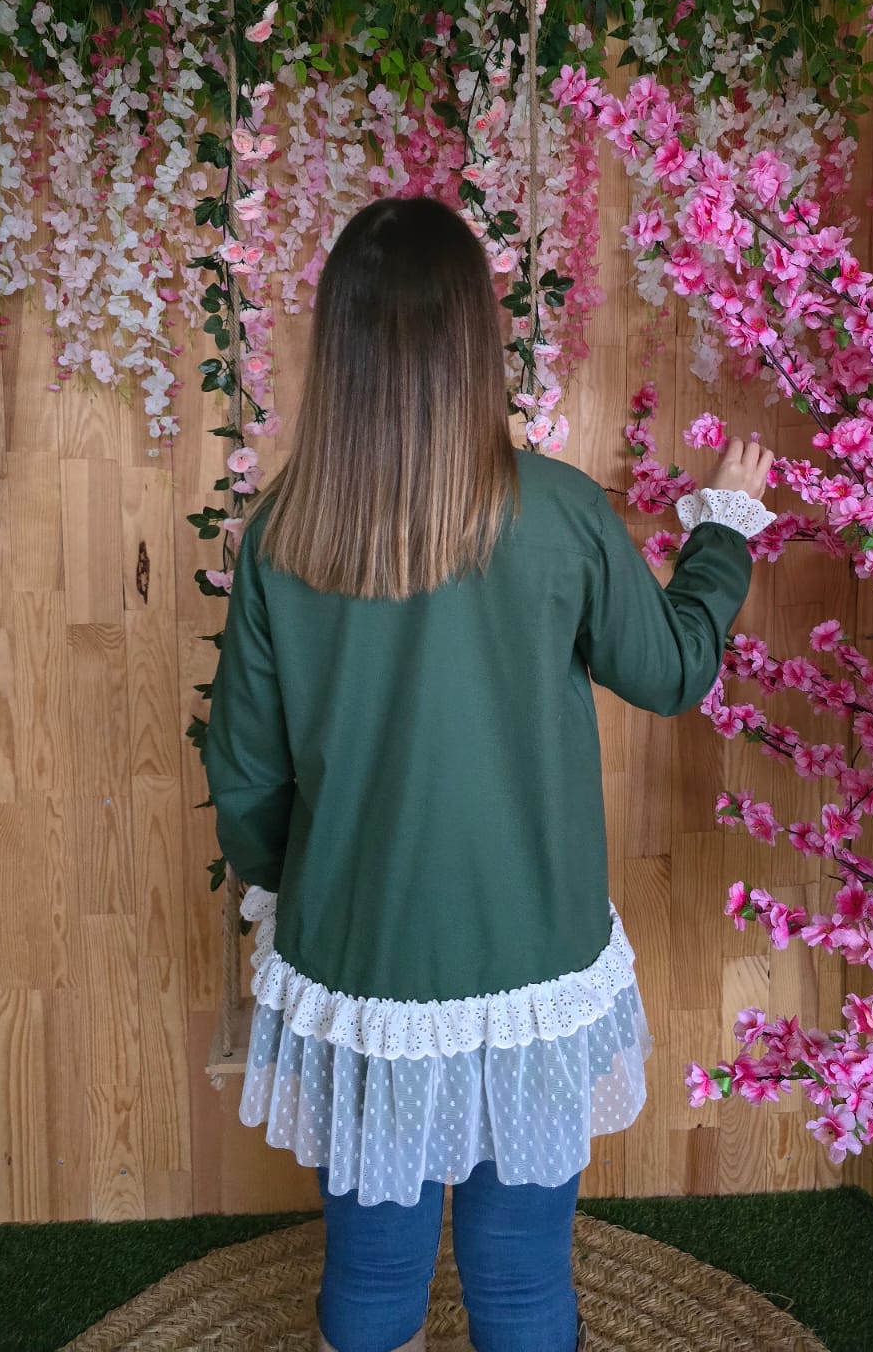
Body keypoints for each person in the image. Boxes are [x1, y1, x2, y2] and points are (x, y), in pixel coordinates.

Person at [203, 196, 775, 1352]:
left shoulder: (279, 532)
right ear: (478, 337)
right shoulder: (558, 511)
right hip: (533, 957)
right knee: (518, 1277)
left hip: (357, 955)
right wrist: (724, 531)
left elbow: (248, 769)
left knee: (372, 1273)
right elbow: (669, 672)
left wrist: (283, 891)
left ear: (343, 343)